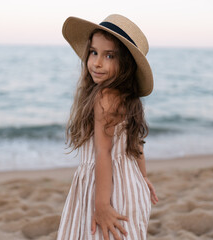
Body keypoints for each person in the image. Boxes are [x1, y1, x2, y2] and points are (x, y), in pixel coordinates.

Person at [57, 14, 158, 240]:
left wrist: (102, 206)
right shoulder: (123, 96)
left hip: (109, 189)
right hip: (129, 184)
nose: (97, 62)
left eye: (109, 55)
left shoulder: (104, 97)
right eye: (93, 52)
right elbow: (136, 144)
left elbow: (103, 152)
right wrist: (143, 178)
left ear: (126, 64)